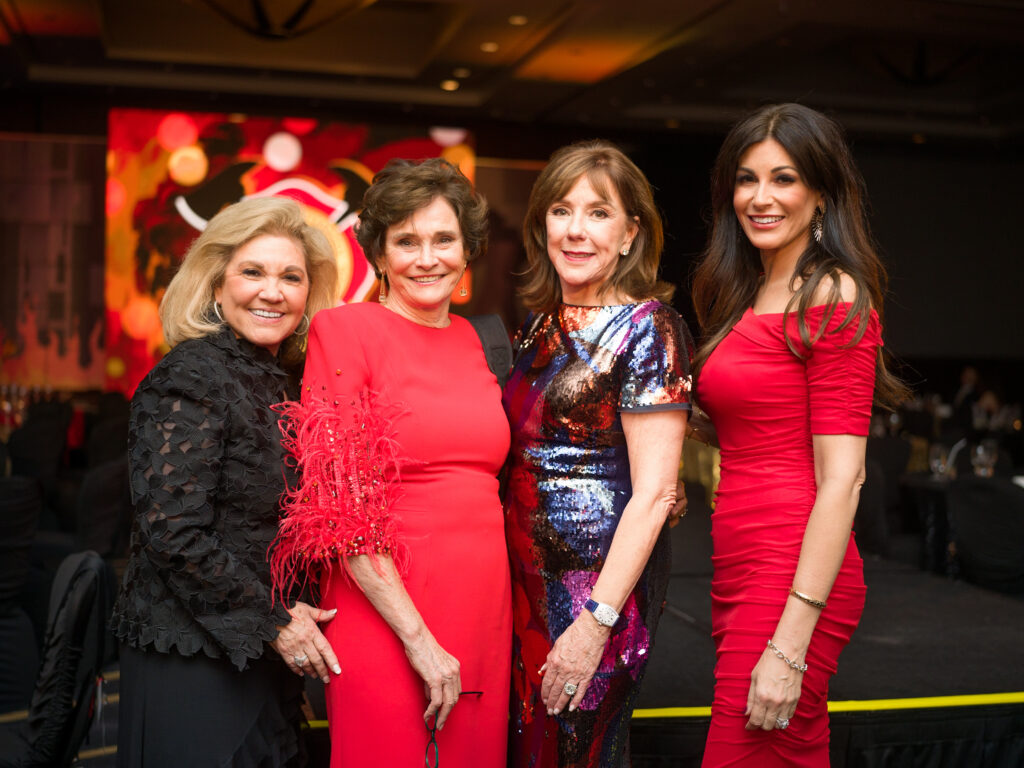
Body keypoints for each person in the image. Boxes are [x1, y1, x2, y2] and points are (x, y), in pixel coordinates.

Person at [269, 158, 511, 767]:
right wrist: (418, 639)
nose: (427, 259)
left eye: (443, 240)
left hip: (483, 603)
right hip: (387, 612)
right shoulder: (343, 331)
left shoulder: (478, 341)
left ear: (468, 249)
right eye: (406, 241)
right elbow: (341, 511)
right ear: (378, 252)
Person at [691, 103, 907, 766]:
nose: (760, 197)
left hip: (791, 572)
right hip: (740, 562)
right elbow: (752, 428)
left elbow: (845, 479)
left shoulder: (831, 293)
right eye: (746, 179)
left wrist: (790, 642)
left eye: (783, 179)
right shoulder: (753, 288)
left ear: (821, 194)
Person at [111, 196, 341, 767]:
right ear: (216, 285)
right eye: (252, 272)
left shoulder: (287, 380)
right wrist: (277, 621)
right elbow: (173, 534)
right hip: (193, 659)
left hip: (263, 654)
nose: (273, 292)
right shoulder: (191, 374)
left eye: (291, 277)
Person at [503, 140, 693, 767]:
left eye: (598, 213)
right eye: (561, 211)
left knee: (579, 750)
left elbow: (656, 494)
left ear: (631, 233)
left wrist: (595, 622)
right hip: (520, 588)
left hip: (596, 593)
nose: (575, 230)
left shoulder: (651, 328)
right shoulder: (538, 324)